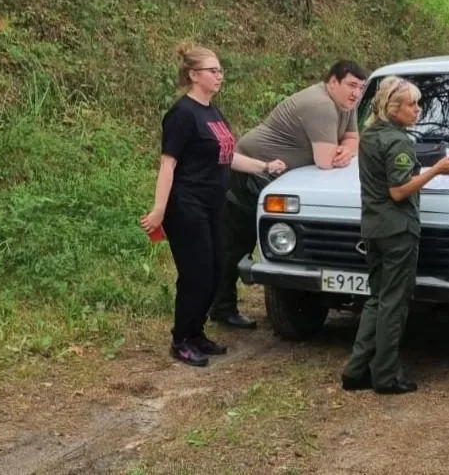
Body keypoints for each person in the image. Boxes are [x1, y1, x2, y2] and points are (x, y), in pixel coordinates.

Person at [140, 43, 286, 367]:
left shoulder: (212, 112)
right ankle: (181, 340)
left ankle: (197, 334)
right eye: (212, 70)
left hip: (214, 205)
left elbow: (226, 156)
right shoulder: (181, 114)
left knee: (218, 270)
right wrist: (159, 209)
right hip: (186, 204)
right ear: (194, 75)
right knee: (197, 274)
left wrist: (264, 166)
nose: (219, 76)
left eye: (220, 70)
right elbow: (168, 164)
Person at [210, 61, 368, 329]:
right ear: (332, 82)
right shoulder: (321, 105)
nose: (356, 93)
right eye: (351, 86)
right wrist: (343, 151)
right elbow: (326, 161)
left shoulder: (345, 104)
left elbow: (353, 138)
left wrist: (349, 148)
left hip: (281, 176)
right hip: (252, 171)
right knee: (238, 242)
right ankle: (221, 307)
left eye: (361, 88)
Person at [340, 76, 449, 395]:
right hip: (397, 229)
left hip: (373, 226)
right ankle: (386, 376)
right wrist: (435, 171)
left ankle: (355, 370)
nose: (418, 110)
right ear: (393, 107)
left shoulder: (370, 135)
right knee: (393, 304)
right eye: (412, 104)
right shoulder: (398, 142)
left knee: (377, 298)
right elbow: (398, 191)